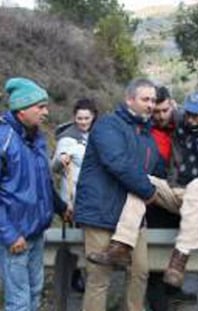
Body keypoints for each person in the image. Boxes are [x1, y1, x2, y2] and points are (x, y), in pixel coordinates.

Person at [86, 90, 198, 289]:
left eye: (196, 115)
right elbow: (162, 113)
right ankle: (121, 246)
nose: (191, 119)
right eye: (188, 114)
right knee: (141, 182)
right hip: (174, 190)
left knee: (197, 185)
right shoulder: (181, 125)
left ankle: (179, 260)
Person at [74, 78, 162, 311]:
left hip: (132, 217)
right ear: (129, 99)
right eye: (146, 99)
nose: (151, 105)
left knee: (140, 272)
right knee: (99, 279)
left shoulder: (147, 136)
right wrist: (148, 190)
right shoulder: (107, 125)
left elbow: (156, 172)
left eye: (153, 100)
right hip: (101, 212)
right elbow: (117, 162)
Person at [0, 77, 70, 310]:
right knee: (19, 302)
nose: (46, 112)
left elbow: (43, 184)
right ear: (21, 110)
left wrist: (61, 207)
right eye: (40, 107)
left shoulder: (37, 138)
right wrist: (9, 235)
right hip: (15, 237)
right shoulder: (4, 139)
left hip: (36, 232)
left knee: (34, 293)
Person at [146, 86, 197, 310]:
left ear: (172, 105)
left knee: (178, 245)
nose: (160, 116)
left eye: (164, 110)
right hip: (156, 198)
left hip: (182, 193)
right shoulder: (146, 129)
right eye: (155, 112)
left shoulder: (186, 123)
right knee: (157, 253)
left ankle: (174, 291)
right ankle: (158, 303)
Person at [52, 98, 98, 293]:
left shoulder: (98, 135)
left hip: (93, 197)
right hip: (72, 198)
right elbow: (53, 167)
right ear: (74, 117)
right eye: (79, 118)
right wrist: (60, 160)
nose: (83, 122)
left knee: (90, 237)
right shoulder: (67, 138)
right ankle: (75, 277)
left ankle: (89, 275)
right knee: (75, 237)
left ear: (93, 117)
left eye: (86, 118)